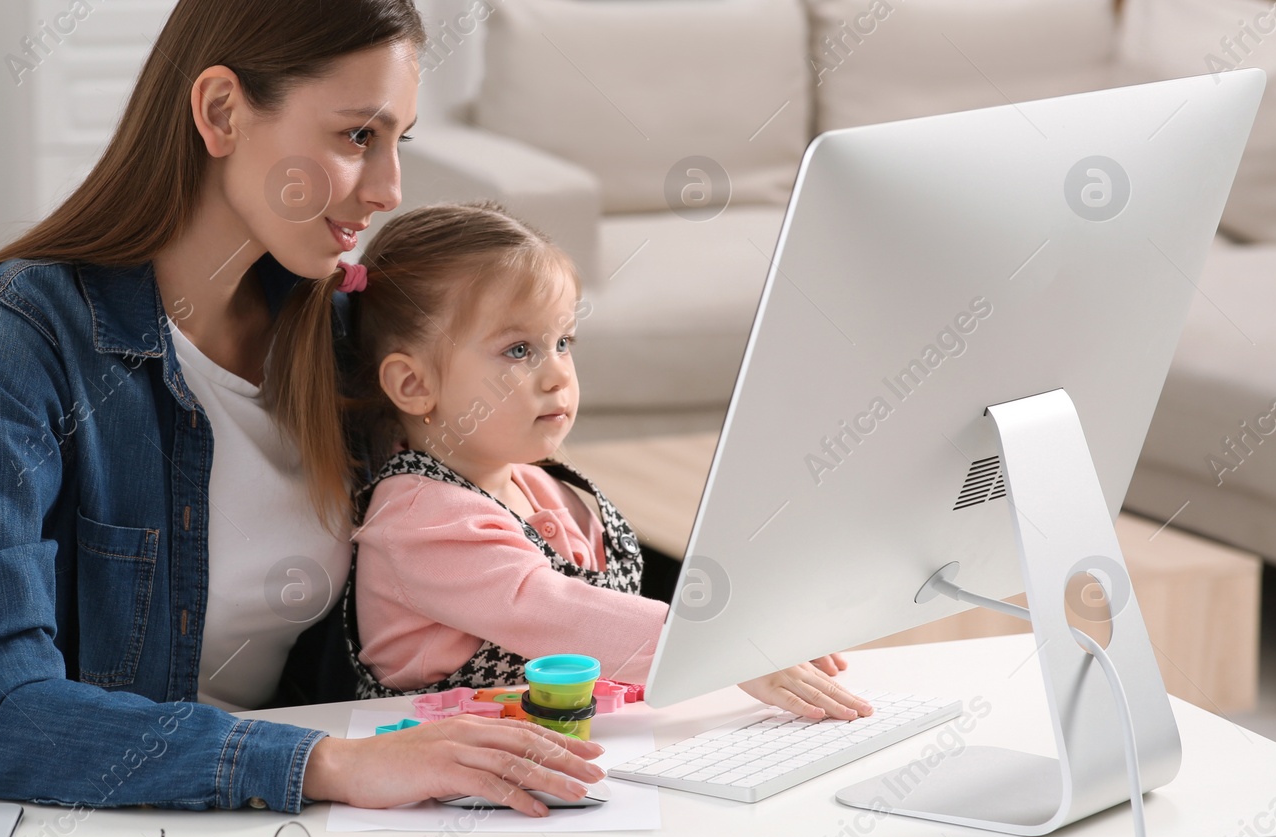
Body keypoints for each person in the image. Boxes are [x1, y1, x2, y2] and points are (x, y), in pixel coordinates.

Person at [0, 0, 603, 819]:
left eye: (400, 143)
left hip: (330, 826)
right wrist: (326, 764)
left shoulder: (344, 341)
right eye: (356, 135)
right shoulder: (12, 343)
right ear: (222, 112)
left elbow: (484, 539)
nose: (387, 188)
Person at [262, 201, 875, 719]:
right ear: (414, 385)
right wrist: (713, 645)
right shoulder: (418, 518)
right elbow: (545, 607)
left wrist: (757, 624)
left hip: (557, 746)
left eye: (563, 342)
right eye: (519, 349)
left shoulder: (540, 488)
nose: (557, 374)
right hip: (449, 782)